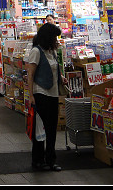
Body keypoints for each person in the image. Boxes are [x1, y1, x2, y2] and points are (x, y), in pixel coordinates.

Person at [26, 22, 66, 172]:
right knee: (39, 131)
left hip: (53, 94)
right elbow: (30, 74)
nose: (56, 40)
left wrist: (61, 79)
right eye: (54, 38)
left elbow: (54, 70)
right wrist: (31, 95)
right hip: (40, 94)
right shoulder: (36, 51)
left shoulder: (52, 52)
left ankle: (51, 160)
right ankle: (38, 160)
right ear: (48, 38)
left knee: (51, 129)